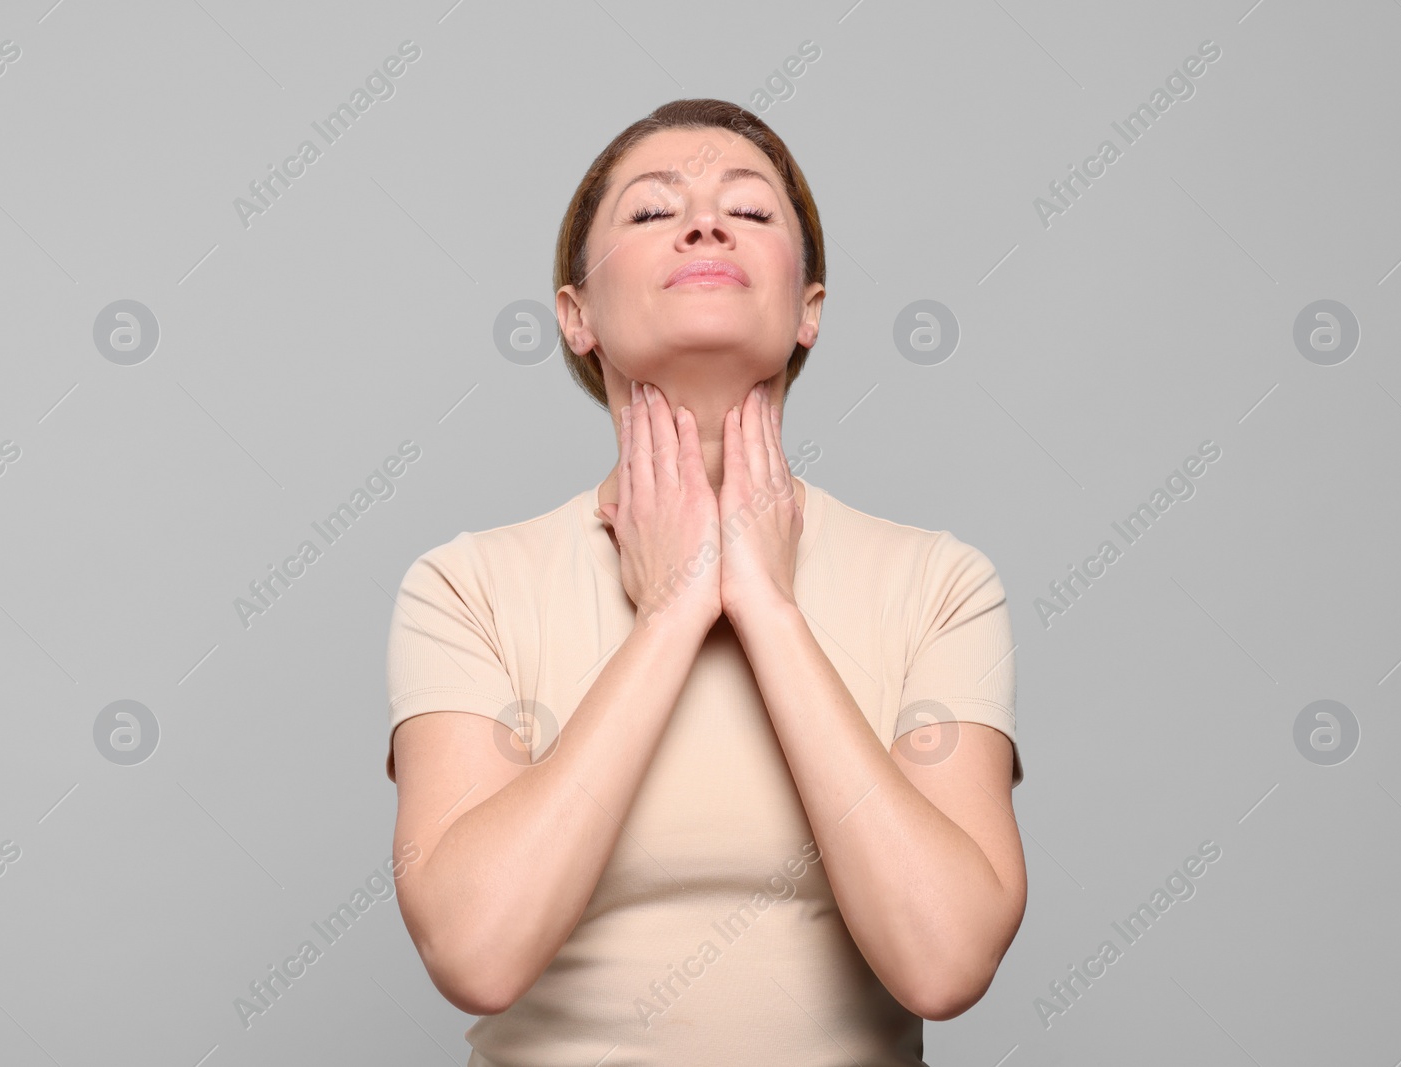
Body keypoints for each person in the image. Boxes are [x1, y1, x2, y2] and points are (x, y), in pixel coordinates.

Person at [385, 98, 1025, 1066]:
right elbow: (476, 952)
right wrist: (675, 608)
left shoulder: (938, 581)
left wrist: (766, 605)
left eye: (752, 211)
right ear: (577, 316)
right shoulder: (467, 584)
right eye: (650, 211)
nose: (704, 223)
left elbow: (943, 963)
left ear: (809, 310)